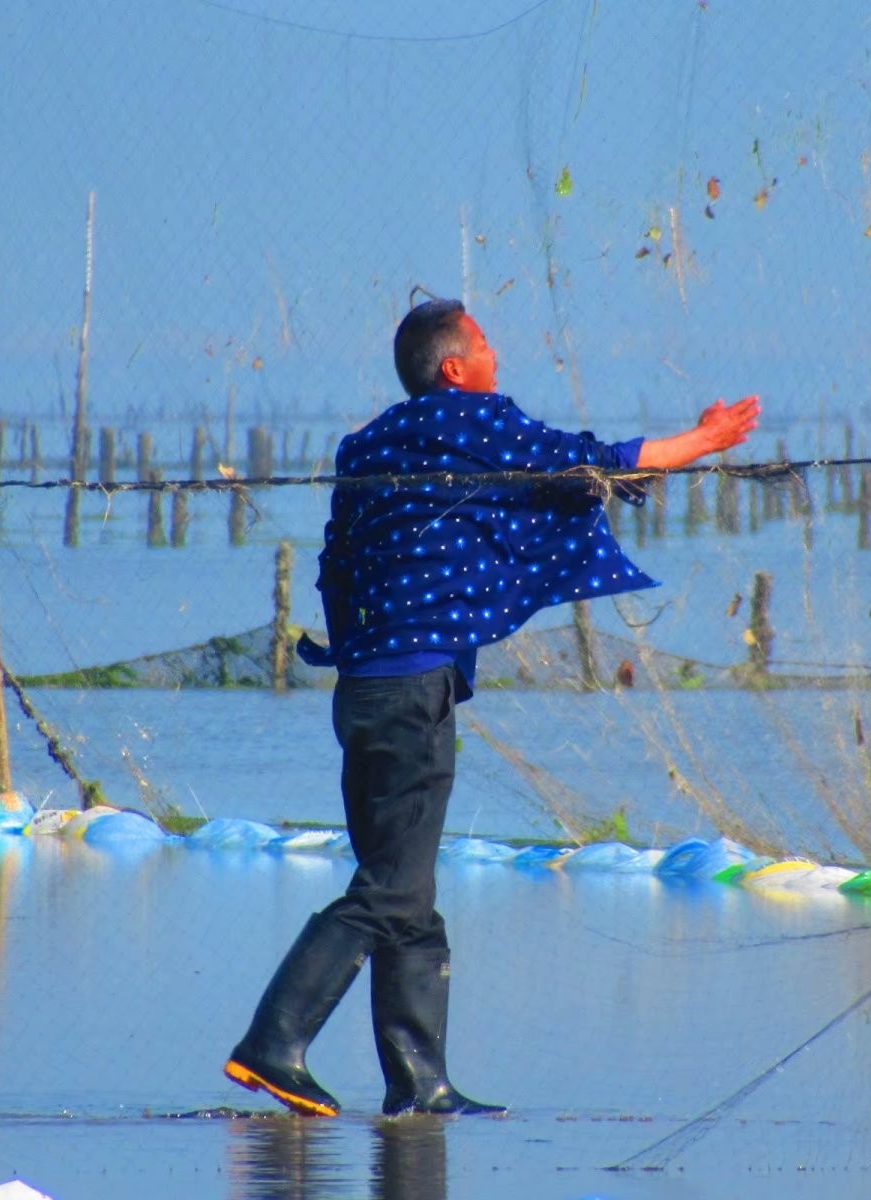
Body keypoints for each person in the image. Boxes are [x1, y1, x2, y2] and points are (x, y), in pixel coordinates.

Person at [223, 298, 760, 1117]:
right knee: (390, 890)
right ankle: (274, 1041)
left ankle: (420, 1081)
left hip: (363, 688)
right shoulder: (476, 424)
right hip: (411, 690)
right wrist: (703, 441)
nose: (496, 353)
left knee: (407, 891)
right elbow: (586, 461)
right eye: (484, 344)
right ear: (454, 370)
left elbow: (342, 560)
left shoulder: (369, 446)